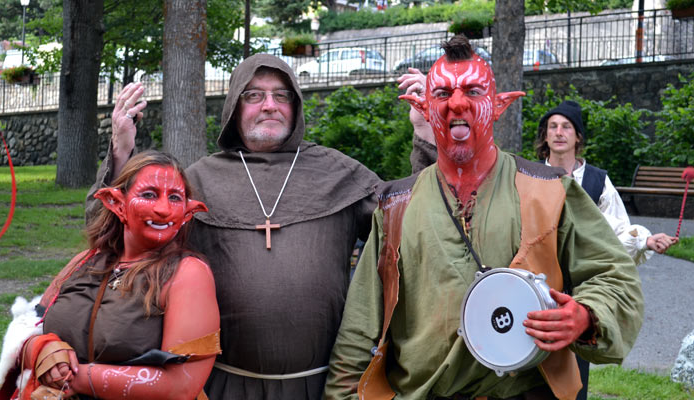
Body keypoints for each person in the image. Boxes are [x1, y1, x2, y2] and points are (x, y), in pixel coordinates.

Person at [85, 54, 434, 399]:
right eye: (254, 95)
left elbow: (416, 222)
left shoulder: (337, 172)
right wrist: (121, 149)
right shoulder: (198, 181)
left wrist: (425, 135)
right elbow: (112, 236)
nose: (269, 105)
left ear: (296, 106)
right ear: (234, 108)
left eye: (281, 95)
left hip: (323, 386)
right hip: (225, 385)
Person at [324, 34, 644, 400]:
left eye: (473, 92)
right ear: (425, 107)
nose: (456, 104)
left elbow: (615, 276)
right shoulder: (396, 205)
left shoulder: (551, 191)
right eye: (442, 94)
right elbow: (359, 330)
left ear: (497, 105)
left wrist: (587, 315)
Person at [0, 150, 220, 400]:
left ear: (188, 212)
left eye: (175, 197)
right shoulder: (85, 260)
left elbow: (181, 386)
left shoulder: (188, 274)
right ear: (117, 202)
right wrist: (42, 349)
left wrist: (76, 378)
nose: (164, 209)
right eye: (149, 195)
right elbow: (29, 327)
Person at [536, 100, 678, 266]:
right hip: (537, 272)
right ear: (546, 136)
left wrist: (644, 241)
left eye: (566, 127)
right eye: (553, 126)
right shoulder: (530, 175)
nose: (559, 132)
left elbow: (616, 232)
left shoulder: (597, 180)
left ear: (578, 137)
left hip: (586, 274)